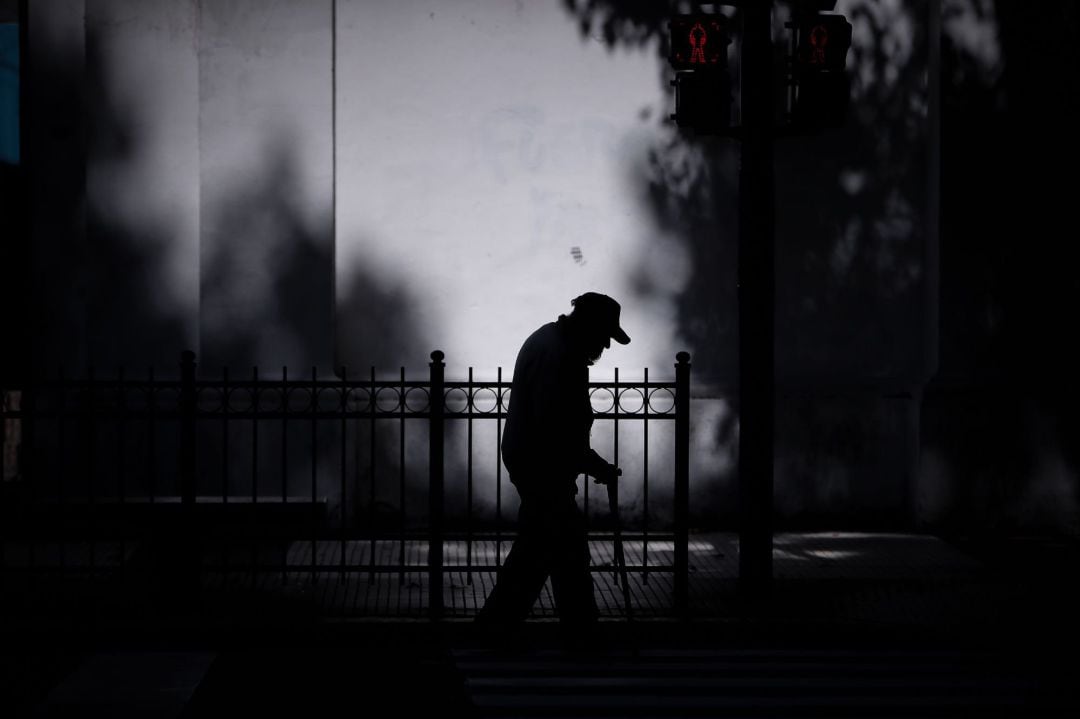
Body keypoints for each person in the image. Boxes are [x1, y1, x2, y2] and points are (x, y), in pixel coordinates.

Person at [475, 292, 629, 640]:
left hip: (537, 462)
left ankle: (500, 628)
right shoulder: (560, 356)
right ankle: (578, 634)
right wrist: (594, 465)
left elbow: (560, 426)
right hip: (543, 467)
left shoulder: (554, 343)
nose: (605, 345)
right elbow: (556, 428)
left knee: (545, 551)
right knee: (562, 552)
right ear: (589, 326)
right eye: (604, 335)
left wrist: (590, 463)